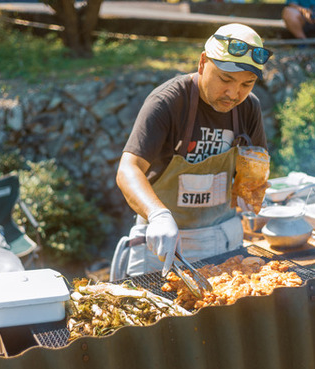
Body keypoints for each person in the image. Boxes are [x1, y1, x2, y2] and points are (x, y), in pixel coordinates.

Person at [110, 23, 272, 280]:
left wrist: (264, 200)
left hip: (222, 242)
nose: (233, 93)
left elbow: (252, 181)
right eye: (225, 79)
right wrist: (158, 216)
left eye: (247, 84)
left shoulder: (249, 107)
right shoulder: (168, 102)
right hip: (162, 243)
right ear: (203, 62)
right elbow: (128, 169)